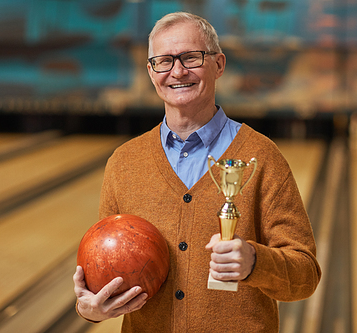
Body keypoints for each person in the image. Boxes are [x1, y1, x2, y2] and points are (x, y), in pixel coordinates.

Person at [73, 12, 321, 332]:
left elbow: (305, 277)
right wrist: (89, 307)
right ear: (151, 72)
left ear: (218, 65)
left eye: (191, 57)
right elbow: (102, 269)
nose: (177, 71)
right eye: (164, 61)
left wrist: (255, 262)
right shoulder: (124, 162)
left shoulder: (262, 157)